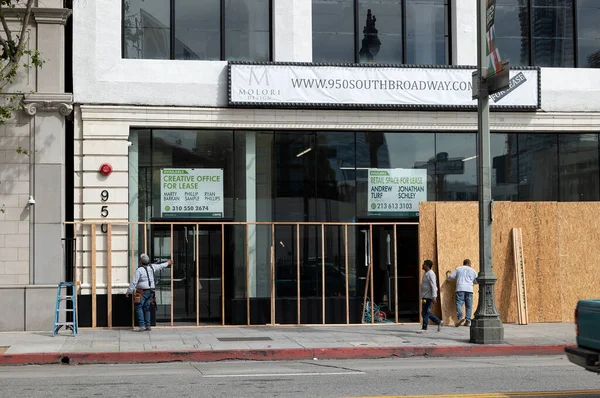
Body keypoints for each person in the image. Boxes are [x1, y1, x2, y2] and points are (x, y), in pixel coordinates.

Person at [126, 254, 172, 332]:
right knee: (147, 308)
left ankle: (142, 326)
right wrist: (168, 262)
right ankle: (148, 325)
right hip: (151, 292)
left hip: (142, 292)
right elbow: (160, 266)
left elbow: (134, 282)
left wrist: (129, 291)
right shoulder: (152, 267)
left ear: (140, 261)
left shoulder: (139, 270)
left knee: (138, 307)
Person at [447, 258, 478, 327]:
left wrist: (447, 276)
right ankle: (468, 321)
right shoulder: (473, 270)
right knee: (469, 306)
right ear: (469, 264)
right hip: (469, 289)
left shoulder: (458, 269)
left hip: (460, 288)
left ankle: (460, 317)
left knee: (459, 303)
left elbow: (451, 277)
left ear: (463, 263)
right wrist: (471, 282)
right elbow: (476, 280)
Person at [418, 259, 443, 333]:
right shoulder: (426, 273)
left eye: (424, 264)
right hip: (425, 297)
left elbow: (433, 285)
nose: (422, 265)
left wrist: (434, 296)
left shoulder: (431, 274)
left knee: (425, 311)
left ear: (428, 266)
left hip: (429, 297)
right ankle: (427, 326)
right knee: (424, 312)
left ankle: (434, 323)